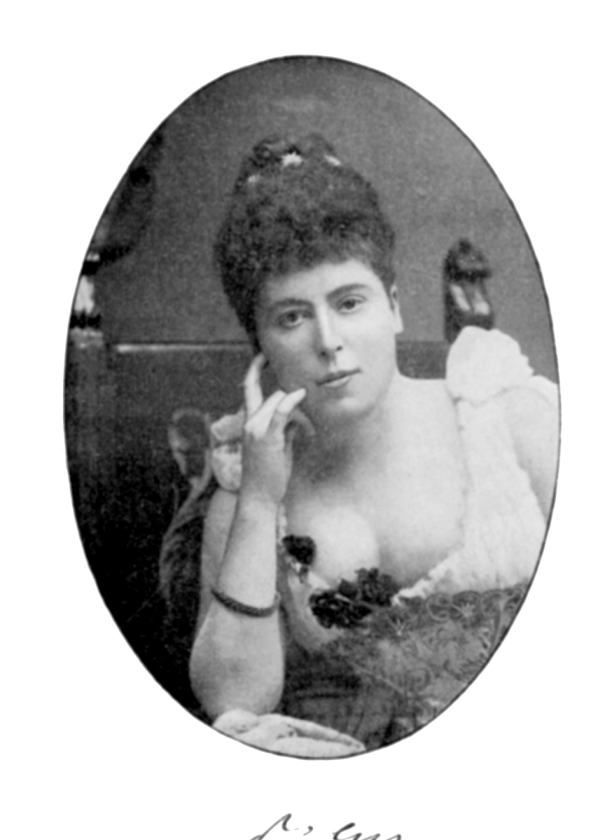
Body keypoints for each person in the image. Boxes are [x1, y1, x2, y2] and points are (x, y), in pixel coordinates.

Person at [161, 134, 559, 757]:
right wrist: (260, 500)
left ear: (394, 307)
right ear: (260, 347)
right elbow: (235, 704)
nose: (328, 341)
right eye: (292, 317)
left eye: (349, 303)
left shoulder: (507, 416)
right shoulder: (250, 489)